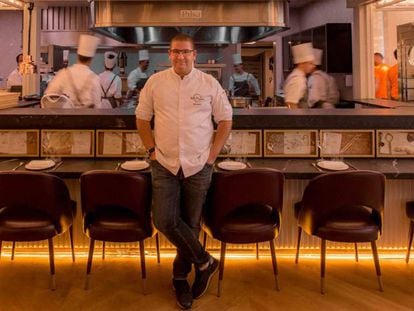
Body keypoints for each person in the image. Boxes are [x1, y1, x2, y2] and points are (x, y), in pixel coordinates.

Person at [136, 33, 232, 310]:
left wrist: (211, 155)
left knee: (190, 224)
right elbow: (142, 118)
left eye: (185, 52)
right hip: (164, 163)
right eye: (175, 52)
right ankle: (205, 261)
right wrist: (151, 151)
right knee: (164, 220)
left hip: (198, 164)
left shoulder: (209, 83)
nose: (180, 56)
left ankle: (181, 278)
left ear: (194, 55)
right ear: (169, 54)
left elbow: (225, 119)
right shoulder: (155, 82)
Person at [45, 34, 102, 108]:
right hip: (87, 118)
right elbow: (98, 106)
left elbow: (49, 94)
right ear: (91, 59)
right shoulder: (94, 78)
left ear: (77, 55)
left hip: (66, 117)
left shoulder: (64, 73)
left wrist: (64, 99)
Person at [284, 42, 315, 109]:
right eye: (310, 63)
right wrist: (298, 119)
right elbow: (291, 104)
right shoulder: (297, 79)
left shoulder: (300, 77)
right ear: (302, 63)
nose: (313, 66)